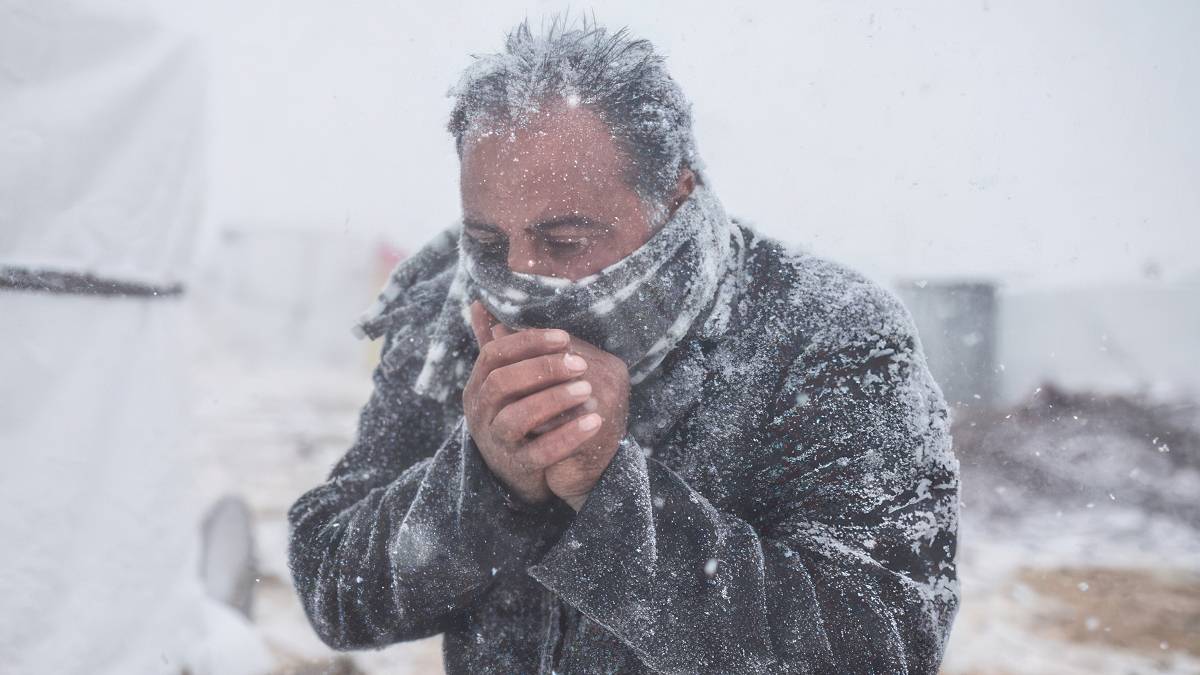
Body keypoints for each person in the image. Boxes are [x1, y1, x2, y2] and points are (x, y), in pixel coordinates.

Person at [288, 18, 960, 674]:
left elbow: (886, 644)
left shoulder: (830, 333)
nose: (519, 277)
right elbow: (336, 589)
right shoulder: (449, 314)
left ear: (674, 196)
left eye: (565, 241)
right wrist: (488, 484)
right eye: (489, 244)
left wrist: (609, 493)